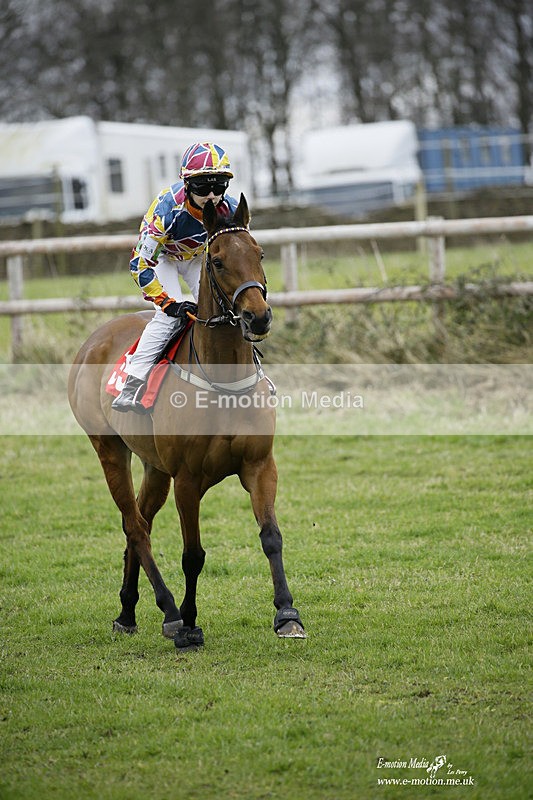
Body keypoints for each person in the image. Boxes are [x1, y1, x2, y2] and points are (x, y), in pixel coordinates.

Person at [112, 142, 239, 413]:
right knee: (169, 318)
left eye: (219, 187)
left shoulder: (232, 207)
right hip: (163, 259)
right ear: (188, 185)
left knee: (229, 309)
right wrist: (168, 302)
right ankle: (132, 383)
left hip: (197, 257)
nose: (213, 196)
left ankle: (253, 375)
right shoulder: (166, 211)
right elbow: (139, 265)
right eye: (204, 188)